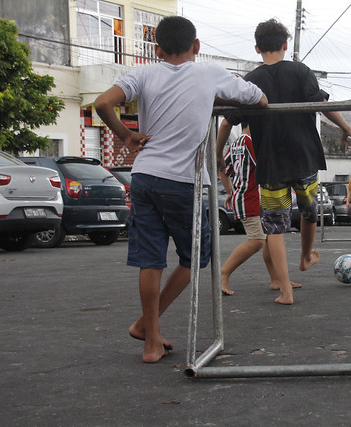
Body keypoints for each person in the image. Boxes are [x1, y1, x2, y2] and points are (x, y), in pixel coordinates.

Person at [94, 16, 267, 363]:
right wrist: (214, 98)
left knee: (150, 260)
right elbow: (259, 99)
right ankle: (146, 325)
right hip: (183, 182)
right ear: (197, 46)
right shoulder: (209, 73)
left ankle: (151, 339)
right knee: (195, 258)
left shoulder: (143, 73)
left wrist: (125, 134)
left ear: (157, 50)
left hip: (143, 177)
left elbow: (101, 103)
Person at [218, 18, 351, 305]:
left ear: (257, 48)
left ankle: (285, 290)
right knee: (309, 211)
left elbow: (225, 122)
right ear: (286, 44)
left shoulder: (250, 81)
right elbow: (323, 105)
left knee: (274, 227)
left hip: (270, 165)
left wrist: (218, 155)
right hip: (304, 158)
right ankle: (306, 257)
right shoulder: (301, 71)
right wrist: (345, 128)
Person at [217, 121, 300, 295]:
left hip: (246, 196)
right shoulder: (250, 142)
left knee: (270, 239)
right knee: (257, 241)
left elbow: (222, 169)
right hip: (251, 197)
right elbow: (266, 165)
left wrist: (231, 191)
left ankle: (276, 279)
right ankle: (224, 272)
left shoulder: (236, 143)